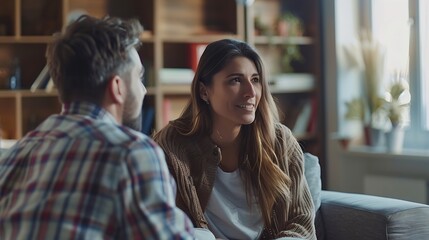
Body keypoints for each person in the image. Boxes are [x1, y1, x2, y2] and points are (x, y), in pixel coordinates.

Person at [0, 15, 195, 239]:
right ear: (117, 87)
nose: (143, 91)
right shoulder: (132, 153)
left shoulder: (14, 155)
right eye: (138, 77)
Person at [153, 39, 316, 239]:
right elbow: (166, 222)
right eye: (235, 80)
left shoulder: (280, 141)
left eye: (255, 80)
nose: (250, 92)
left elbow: (302, 222)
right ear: (204, 91)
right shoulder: (173, 145)